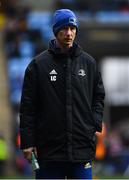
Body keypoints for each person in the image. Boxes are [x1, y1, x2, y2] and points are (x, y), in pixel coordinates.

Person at [19, 9, 105, 179]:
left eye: (72, 29)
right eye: (64, 29)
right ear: (55, 31)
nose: (69, 33)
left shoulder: (89, 63)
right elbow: (27, 107)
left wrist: (93, 122)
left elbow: (98, 96)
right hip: (49, 152)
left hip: (81, 149)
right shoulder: (38, 65)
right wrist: (28, 143)